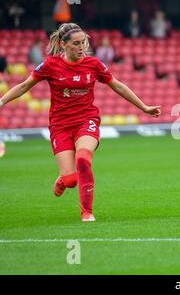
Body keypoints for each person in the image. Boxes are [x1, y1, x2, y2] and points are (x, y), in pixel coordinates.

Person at [0, 23, 161, 222]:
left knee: (83, 159)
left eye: (83, 42)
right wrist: (2, 101)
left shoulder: (93, 64)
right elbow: (24, 86)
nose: (81, 47)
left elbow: (117, 86)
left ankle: (87, 212)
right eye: (76, 43)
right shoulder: (50, 65)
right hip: (60, 126)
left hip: (87, 120)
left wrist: (144, 107)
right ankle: (64, 179)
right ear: (63, 44)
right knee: (71, 180)